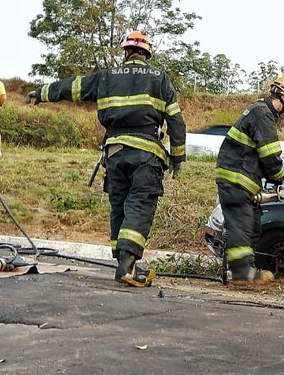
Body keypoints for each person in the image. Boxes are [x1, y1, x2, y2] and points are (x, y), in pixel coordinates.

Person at [27, 30, 186, 287]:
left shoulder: (107, 77)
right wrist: (178, 157)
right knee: (140, 204)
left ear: (126, 52)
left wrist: (41, 92)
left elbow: (72, 87)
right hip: (147, 153)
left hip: (114, 152)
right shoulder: (160, 78)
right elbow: (176, 121)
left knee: (119, 206)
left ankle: (123, 264)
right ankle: (127, 265)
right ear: (147, 54)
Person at [215, 75, 284, 286]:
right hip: (236, 179)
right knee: (241, 225)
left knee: (252, 225)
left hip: (242, 179)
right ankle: (241, 272)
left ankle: (246, 270)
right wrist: (280, 177)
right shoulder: (263, 114)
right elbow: (270, 155)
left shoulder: (258, 111)